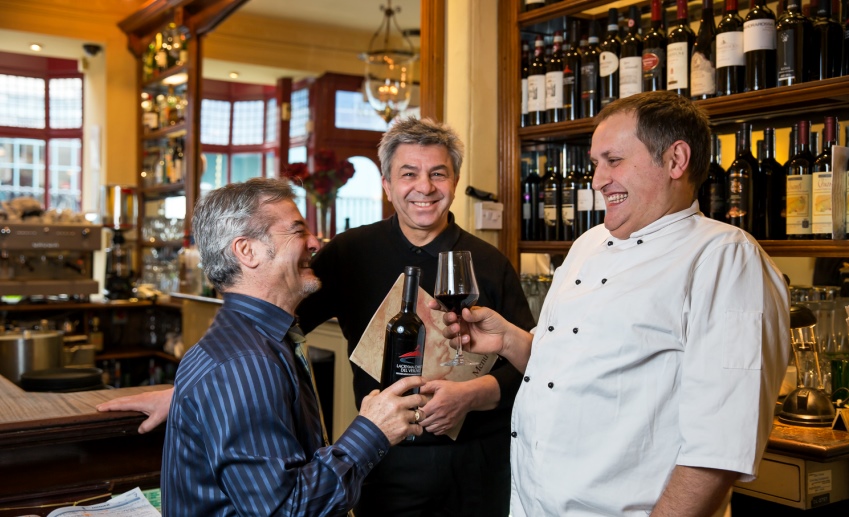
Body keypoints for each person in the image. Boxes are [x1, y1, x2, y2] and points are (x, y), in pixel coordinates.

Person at [99, 118, 535, 517]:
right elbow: (271, 324)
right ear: (386, 184)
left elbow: (532, 367)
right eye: (408, 174)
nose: (425, 186)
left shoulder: (491, 262)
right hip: (387, 456)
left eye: (438, 173)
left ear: (455, 180)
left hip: (477, 459)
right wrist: (190, 393)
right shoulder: (349, 253)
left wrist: (475, 393)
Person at [436, 91, 791, 516]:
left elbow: (718, 447)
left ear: (676, 160)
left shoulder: (725, 258)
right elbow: (571, 371)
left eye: (613, 160)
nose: (597, 179)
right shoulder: (589, 243)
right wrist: (509, 341)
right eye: (595, 163)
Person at [160, 178, 427, 516]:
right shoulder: (245, 363)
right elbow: (286, 509)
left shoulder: (256, 340)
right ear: (247, 251)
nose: (315, 243)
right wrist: (372, 431)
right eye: (298, 231)